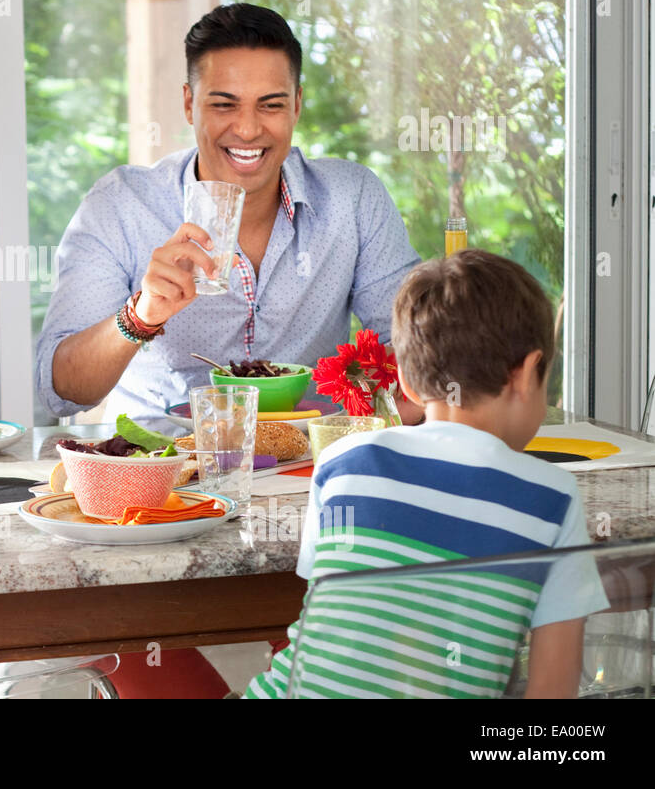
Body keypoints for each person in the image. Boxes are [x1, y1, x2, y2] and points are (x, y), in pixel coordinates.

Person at [35, 3, 422, 428]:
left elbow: (415, 353)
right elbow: (61, 392)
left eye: (270, 105)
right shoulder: (121, 205)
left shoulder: (353, 198)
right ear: (189, 103)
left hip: (307, 469)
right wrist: (140, 317)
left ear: (296, 105)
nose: (248, 129)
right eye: (224, 105)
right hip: (163, 476)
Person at [245, 251, 610, 698]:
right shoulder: (552, 498)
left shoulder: (342, 462)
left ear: (408, 383)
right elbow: (552, 690)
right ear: (528, 372)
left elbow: (332, 622)